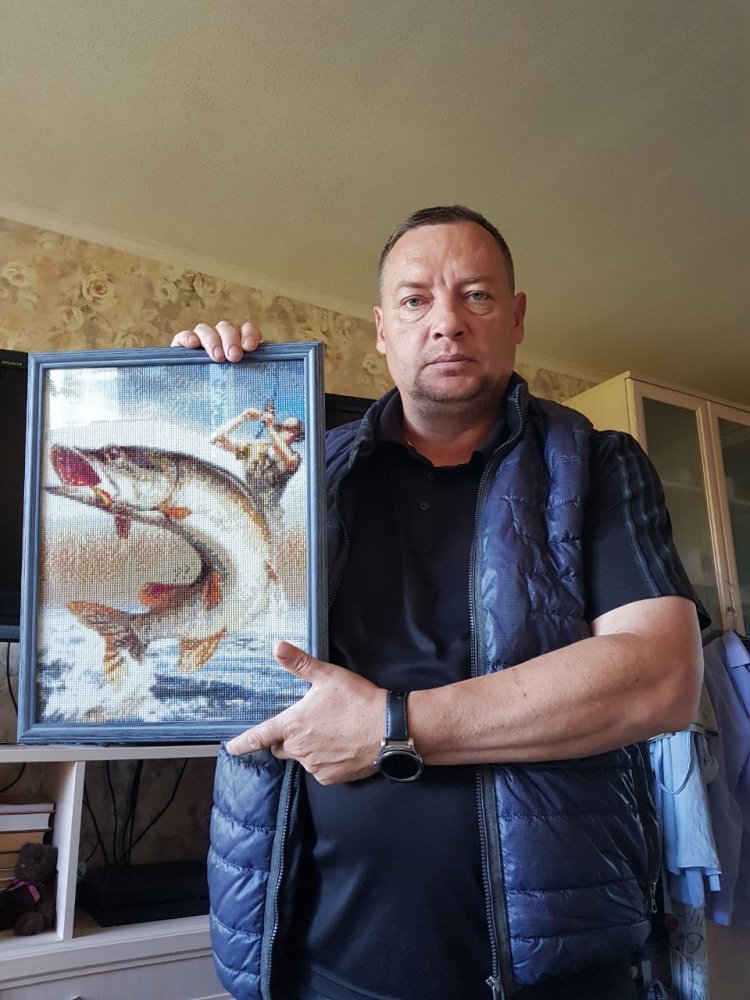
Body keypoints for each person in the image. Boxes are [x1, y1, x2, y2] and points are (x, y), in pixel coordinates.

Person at [171, 206, 705, 1000]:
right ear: (382, 330)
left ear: (516, 319)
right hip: (313, 962)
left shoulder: (597, 466)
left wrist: (392, 726)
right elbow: (175, 574)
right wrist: (186, 397)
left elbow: (661, 678)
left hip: (554, 975)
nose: (447, 322)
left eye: (477, 296)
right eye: (416, 300)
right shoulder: (302, 473)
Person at [210, 400, 305, 516]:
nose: (290, 432)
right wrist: (243, 417)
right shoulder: (254, 447)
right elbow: (216, 440)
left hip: (269, 516)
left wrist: (269, 427)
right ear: (280, 430)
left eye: (294, 429)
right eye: (287, 428)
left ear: (297, 436)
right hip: (245, 510)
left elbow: (289, 460)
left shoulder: (295, 457)